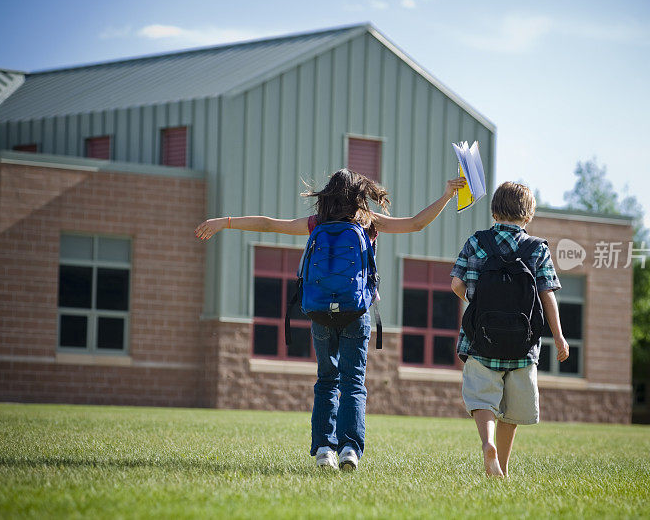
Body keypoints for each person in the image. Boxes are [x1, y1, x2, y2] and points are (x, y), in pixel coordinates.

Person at [195, 169, 465, 471]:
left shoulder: (316, 224)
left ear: (328, 194)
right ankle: (350, 449)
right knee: (353, 383)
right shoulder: (368, 222)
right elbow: (416, 224)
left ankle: (325, 449)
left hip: (321, 312)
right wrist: (447, 195)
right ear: (359, 195)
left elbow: (269, 225)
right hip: (357, 311)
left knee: (326, 381)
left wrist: (224, 222)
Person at [449, 181, 569, 477]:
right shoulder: (537, 248)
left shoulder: (476, 242)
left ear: (494, 211)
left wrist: (476, 302)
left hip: (481, 340)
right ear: (528, 215)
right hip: (523, 345)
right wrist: (559, 336)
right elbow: (547, 294)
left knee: (482, 399)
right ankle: (500, 465)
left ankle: (487, 443)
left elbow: (455, 284)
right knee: (512, 411)